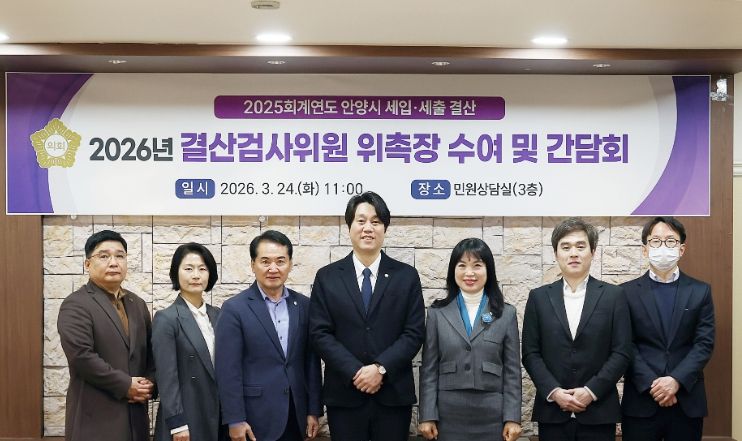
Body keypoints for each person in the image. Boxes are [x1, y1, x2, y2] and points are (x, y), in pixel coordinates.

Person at [309, 191, 426, 441]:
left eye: (376, 221)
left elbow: (414, 332)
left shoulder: (406, 276)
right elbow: (320, 333)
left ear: (385, 228)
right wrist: (356, 371)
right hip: (345, 395)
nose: (368, 228)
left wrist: (381, 369)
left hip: (393, 396)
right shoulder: (327, 277)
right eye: (361, 221)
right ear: (349, 226)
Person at [521, 218, 632, 441]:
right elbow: (531, 353)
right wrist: (554, 392)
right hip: (553, 413)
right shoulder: (539, 297)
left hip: (599, 412)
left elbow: (621, 352)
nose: (573, 253)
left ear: (593, 252)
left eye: (580, 246)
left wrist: (591, 391)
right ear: (556, 253)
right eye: (566, 247)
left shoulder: (614, 296)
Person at [215, 230, 322, 441]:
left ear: (290, 264)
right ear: (253, 264)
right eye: (265, 261)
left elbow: (311, 362)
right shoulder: (234, 308)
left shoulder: (304, 305)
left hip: (296, 414)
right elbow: (227, 371)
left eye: (280, 261)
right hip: (254, 418)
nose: (273, 268)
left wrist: (313, 410)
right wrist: (234, 419)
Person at [620, 217, 715, 441]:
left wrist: (676, 380)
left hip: (686, 401)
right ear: (645, 249)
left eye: (670, 241)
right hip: (641, 401)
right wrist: (653, 385)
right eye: (656, 241)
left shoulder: (700, 291)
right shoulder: (625, 293)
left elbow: (704, 343)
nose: (663, 246)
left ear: (681, 249)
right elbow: (625, 344)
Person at [418, 238, 522, 441]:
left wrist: (512, 418)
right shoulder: (437, 313)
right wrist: (427, 415)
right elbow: (429, 368)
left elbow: (512, 371)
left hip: (492, 414)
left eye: (477, 265)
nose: (469, 273)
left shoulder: (506, 314)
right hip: (447, 414)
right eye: (462, 265)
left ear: (488, 270)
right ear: (453, 270)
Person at [57, 230, 155, 441]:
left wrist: (149, 383)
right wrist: (125, 385)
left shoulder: (137, 304)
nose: (113, 262)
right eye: (104, 256)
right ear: (87, 264)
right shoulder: (76, 304)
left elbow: (150, 353)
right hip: (95, 422)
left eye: (120, 256)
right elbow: (82, 357)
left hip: (136, 421)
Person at [152, 242, 228, 441]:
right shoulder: (166, 318)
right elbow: (167, 377)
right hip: (186, 417)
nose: (196, 275)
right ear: (175, 273)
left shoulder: (218, 315)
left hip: (218, 416)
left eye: (202, 269)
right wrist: (177, 424)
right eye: (188, 269)